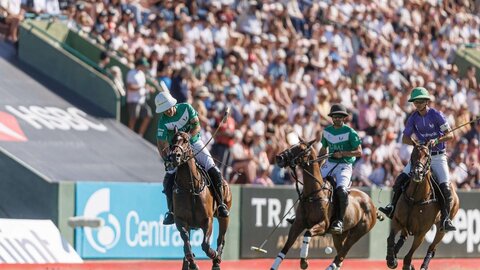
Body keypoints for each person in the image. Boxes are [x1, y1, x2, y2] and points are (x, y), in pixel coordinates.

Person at [379, 87, 456, 232]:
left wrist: (437, 139)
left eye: (420, 101)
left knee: (445, 187)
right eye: (415, 102)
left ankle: (446, 219)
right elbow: (404, 138)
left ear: (427, 101)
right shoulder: (413, 118)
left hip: (438, 156)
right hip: (421, 156)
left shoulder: (436, 115)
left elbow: (450, 135)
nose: (418, 104)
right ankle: (392, 207)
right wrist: (416, 143)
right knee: (401, 178)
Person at [155, 90, 230, 225]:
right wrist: (167, 158)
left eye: (168, 108)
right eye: (164, 110)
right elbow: (161, 143)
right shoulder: (163, 121)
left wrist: (188, 137)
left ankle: (220, 205)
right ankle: (171, 212)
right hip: (177, 150)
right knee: (167, 180)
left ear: (172, 104)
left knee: (213, 170)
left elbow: (196, 126)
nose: (167, 112)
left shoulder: (186, 108)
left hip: (194, 143)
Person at [319, 103, 362, 234]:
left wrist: (343, 154)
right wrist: (317, 162)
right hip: (330, 163)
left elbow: (359, 152)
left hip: (345, 164)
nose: (337, 119)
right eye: (335, 117)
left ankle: (339, 220)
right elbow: (323, 148)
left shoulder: (350, 132)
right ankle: (302, 213)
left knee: (341, 191)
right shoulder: (326, 131)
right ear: (331, 117)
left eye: (340, 117)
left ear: (344, 118)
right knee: (313, 183)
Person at [126, 58, 153, 136]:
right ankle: (129, 133)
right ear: (139, 65)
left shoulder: (142, 74)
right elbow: (130, 87)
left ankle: (140, 134)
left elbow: (142, 87)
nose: (145, 68)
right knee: (134, 117)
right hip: (133, 99)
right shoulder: (131, 73)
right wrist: (142, 86)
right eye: (144, 66)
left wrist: (148, 89)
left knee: (148, 115)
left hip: (142, 100)